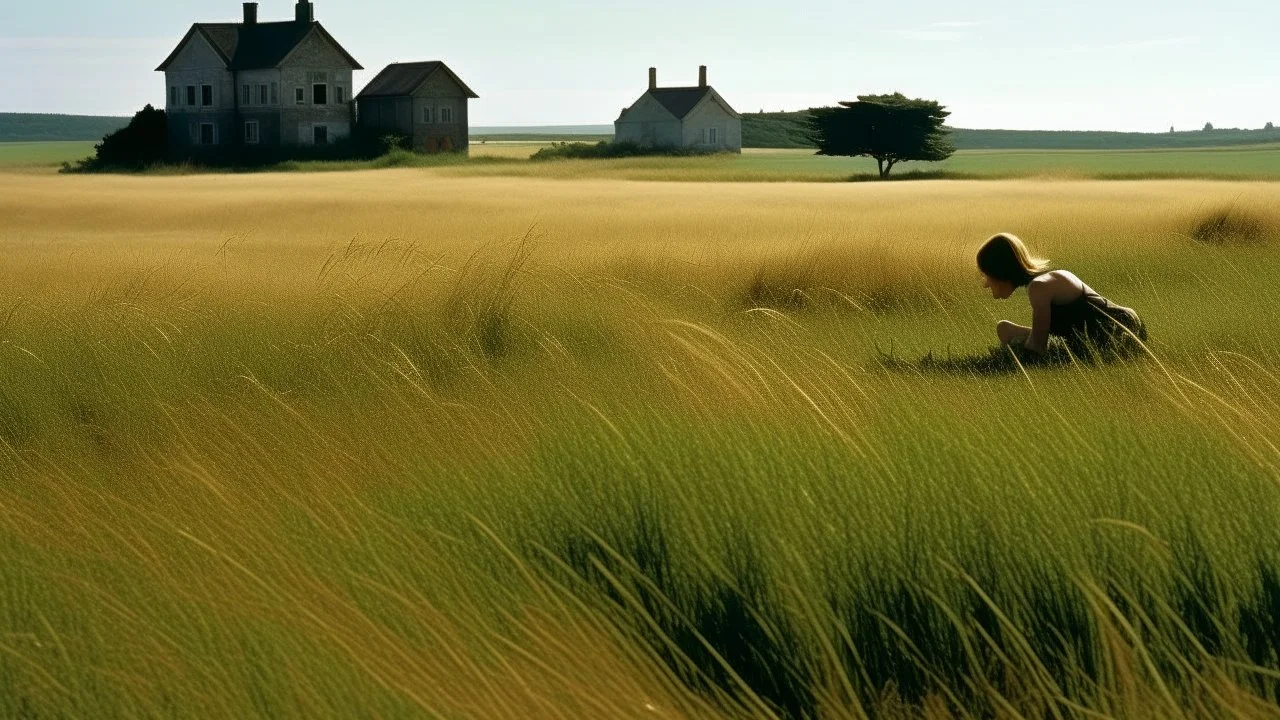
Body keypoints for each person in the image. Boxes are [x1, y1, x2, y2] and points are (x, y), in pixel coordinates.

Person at [977, 233, 1147, 357]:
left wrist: (1008, 358)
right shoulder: (1043, 281)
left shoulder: (1039, 287)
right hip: (1120, 324)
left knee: (1014, 339)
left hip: (1118, 331)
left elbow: (1037, 347)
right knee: (1004, 328)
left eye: (987, 275)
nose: (985, 284)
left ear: (1000, 271)